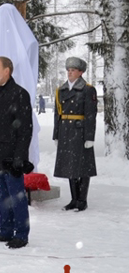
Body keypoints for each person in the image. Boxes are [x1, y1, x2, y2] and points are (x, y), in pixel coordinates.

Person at [0, 56, 33, 249]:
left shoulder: (20, 94)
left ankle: (21, 234)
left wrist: (19, 157)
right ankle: (5, 231)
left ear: (7, 71)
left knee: (16, 197)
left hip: (12, 156)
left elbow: (25, 129)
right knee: (2, 196)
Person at [53, 57, 97, 211]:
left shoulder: (87, 89)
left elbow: (91, 115)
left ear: (81, 72)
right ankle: (74, 199)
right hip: (66, 131)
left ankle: (82, 200)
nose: (70, 73)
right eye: (68, 70)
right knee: (69, 165)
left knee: (83, 165)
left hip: (80, 131)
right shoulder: (61, 90)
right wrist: (56, 134)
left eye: (73, 70)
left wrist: (90, 137)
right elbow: (57, 114)